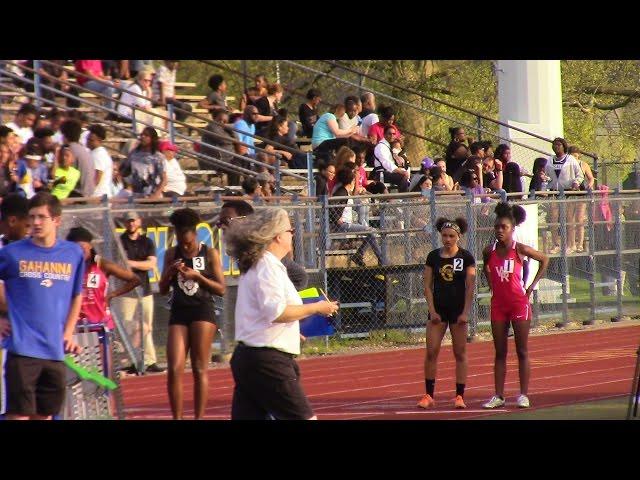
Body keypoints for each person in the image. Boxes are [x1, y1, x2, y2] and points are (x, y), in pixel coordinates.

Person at [225, 208, 339, 419]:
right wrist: (317, 307)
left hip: (251, 357)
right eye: (291, 230)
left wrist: (290, 332)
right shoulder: (267, 265)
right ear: (278, 236)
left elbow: (262, 313)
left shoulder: (264, 264)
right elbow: (277, 312)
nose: (292, 235)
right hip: (267, 362)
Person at [0, 193, 84, 420]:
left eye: (41, 217)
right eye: (32, 217)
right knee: (17, 416)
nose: (35, 223)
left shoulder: (73, 253)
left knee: (45, 417)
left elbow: (77, 295)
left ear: (56, 220)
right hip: (22, 349)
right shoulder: (11, 253)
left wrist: (68, 331)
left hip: (54, 351)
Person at [158, 208, 225, 419]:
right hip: (178, 311)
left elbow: (221, 289)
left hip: (202, 310)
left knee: (198, 368)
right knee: (175, 368)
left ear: (195, 235)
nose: (184, 247)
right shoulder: (171, 254)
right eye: (180, 242)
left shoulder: (210, 253)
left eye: (187, 243)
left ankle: (199, 417)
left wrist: (199, 277)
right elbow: (162, 289)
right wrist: (168, 273)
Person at [482, 202, 549, 409]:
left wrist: (530, 288)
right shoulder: (488, 250)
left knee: (522, 350)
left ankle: (523, 394)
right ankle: (499, 395)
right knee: (499, 351)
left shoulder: (519, 249)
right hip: (498, 305)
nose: (500, 231)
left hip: (519, 304)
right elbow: (486, 267)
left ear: (512, 229)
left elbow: (545, 259)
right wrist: (491, 284)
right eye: (497, 227)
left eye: (504, 227)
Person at [417, 217, 476, 410]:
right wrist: (432, 310)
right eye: (444, 235)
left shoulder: (466, 257)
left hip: (458, 310)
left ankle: (459, 395)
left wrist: (465, 312)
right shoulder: (433, 257)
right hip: (438, 310)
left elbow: (469, 287)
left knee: (460, 353)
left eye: (451, 236)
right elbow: (427, 285)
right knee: (431, 351)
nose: (447, 239)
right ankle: (428, 395)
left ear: (458, 237)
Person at [114, 211, 165, 374]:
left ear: (139, 222)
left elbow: (151, 264)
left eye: (133, 221)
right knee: (128, 327)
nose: (131, 224)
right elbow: (118, 265)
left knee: (147, 327)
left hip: (145, 290)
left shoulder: (147, 242)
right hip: (126, 292)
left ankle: (149, 361)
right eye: (128, 221)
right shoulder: (119, 242)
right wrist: (137, 264)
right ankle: (132, 361)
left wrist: (130, 263)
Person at [66, 227, 141, 330]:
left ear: (90, 246)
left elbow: (135, 280)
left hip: (100, 323)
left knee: (102, 345)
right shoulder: (66, 266)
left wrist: (112, 295)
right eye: (75, 248)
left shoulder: (102, 264)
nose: (79, 251)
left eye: (82, 247)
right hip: (76, 325)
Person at [330, 168, 383, 267]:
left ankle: (360, 254)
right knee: (371, 231)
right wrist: (337, 218)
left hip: (347, 224)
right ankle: (381, 260)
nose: (355, 183)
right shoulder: (342, 192)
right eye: (354, 180)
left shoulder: (346, 192)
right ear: (350, 181)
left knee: (371, 232)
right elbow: (330, 206)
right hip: (343, 226)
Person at [545, 137, 584, 254]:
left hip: (568, 192)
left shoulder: (570, 159)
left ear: (563, 146)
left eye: (558, 145)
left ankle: (571, 245)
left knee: (569, 218)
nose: (556, 147)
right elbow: (547, 174)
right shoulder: (550, 160)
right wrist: (545, 178)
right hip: (554, 192)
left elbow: (580, 175)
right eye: (554, 145)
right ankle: (555, 244)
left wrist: (576, 183)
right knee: (553, 218)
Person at [119, 127, 167, 199]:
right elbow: (124, 171)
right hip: (136, 195)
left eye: (146, 135)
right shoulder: (134, 153)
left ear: (152, 139)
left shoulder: (158, 157)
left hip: (152, 195)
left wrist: (156, 194)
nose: (142, 137)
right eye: (142, 134)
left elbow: (164, 179)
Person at [373, 125, 409, 192]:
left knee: (412, 177)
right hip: (382, 173)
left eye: (394, 134)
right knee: (402, 177)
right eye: (389, 134)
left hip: (390, 173)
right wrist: (399, 170)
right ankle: (404, 199)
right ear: (384, 134)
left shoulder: (390, 146)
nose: (392, 136)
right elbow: (385, 162)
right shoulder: (380, 147)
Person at [87, 125, 113, 198]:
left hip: (98, 197)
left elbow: (97, 177)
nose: (88, 142)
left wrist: (87, 193)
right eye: (87, 139)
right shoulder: (96, 153)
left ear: (99, 140)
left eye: (91, 140)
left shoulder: (98, 154)